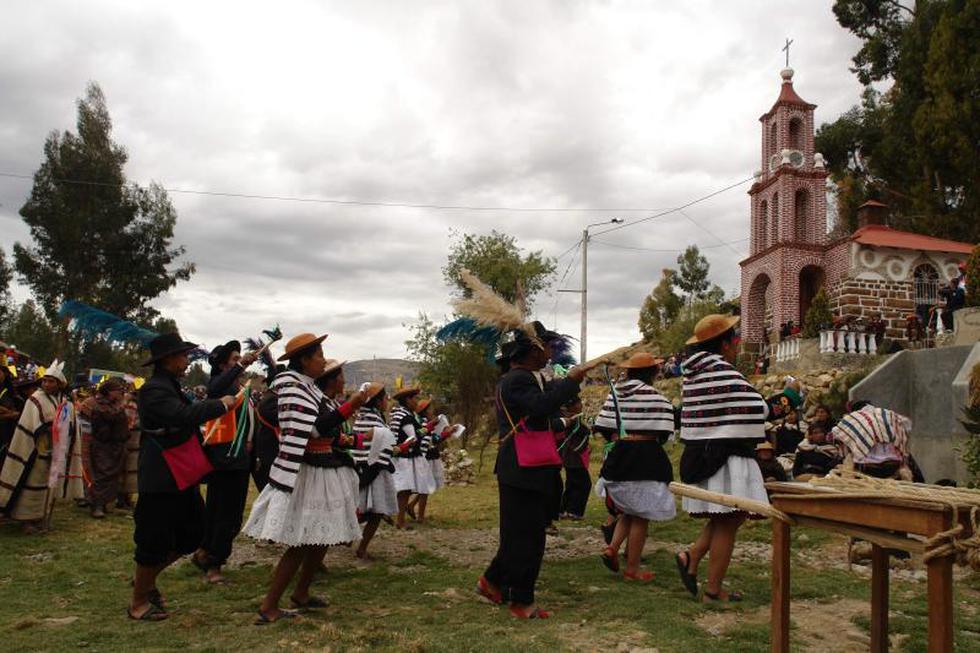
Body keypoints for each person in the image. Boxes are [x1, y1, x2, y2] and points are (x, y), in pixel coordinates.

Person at [242, 334, 369, 624]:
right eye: (319, 354)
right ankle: (269, 605)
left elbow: (328, 431)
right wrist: (351, 405)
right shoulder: (292, 388)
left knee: (321, 536)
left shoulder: (310, 389)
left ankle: (301, 592)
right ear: (304, 359)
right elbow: (314, 430)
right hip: (307, 470)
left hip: (323, 467)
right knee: (301, 541)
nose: (324, 360)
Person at [477, 327, 587, 619]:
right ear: (533, 350)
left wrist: (570, 383)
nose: (551, 352)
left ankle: (492, 581)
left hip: (523, 467)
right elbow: (540, 406)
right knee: (527, 538)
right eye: (548, 346)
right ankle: (520, 600)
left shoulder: (523, 379)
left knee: (521, 534)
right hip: (522, 468)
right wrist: (571, 382)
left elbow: (546, 400)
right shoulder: (518, 380)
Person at [129, 333, 234, 621]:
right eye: (182, 356)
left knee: (192, 533)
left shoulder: (170, 386)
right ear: (167, 360)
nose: (187, 362)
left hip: (180, 475)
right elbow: (181, 416)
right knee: (152, 539)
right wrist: (221, 405)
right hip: (160, 477)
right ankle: (139, 601)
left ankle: (145, 581)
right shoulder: (153, 390)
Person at [675, 314, 769, 603]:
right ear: (725, 344)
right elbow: (757, 408)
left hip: (703, 453)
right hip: (727, 456)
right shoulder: (724, 372)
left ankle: (691, 555)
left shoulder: (694, 374)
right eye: (734, 339)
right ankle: (714, 590)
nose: (736, 345)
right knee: (730, 519)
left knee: (725, 516)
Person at [594, 352, 676, 582]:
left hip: (620, 453)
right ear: (651, 372)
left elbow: (602, 425)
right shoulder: (656, 397)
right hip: (646, 457)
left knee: (629, 509)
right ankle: (632, 568)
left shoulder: (615, 395)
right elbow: (664, 432)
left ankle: (612, 548)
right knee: (642, 514)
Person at [192, 340, 258, 585]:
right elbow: (214, 390)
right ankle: (213, 563)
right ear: (222, 365)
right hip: (225, 458)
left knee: (229, 512)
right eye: (233, 359)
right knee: (223, 514)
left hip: (240, 459)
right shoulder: (220, 388)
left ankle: (204, 552)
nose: (239, 361)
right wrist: (240, 365)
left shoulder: (240, 387)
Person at [0, 360, 84, 533]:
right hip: (35, 450)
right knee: (31, 483)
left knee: (48, 485)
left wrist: (63, 433)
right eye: (44, 380)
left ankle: (41, 517)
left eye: (51, 381)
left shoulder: (66, 402)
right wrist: (48, 429)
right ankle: (26, 520)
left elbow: (72, 425)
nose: (46, 384)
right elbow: (31, 423)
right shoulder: (35, 399)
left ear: (60, 384)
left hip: (56, 451)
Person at [351, 382, 396, 559]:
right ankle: (360, 547)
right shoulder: (374, 420)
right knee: (375, 512)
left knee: (366, 511)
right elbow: (382, 445)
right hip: (374, 471)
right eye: (385, 398)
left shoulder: (364, 417)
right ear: (378, 401)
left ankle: (346, 538)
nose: (387, 401)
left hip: (365, 469)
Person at [84, 378, 131, 519]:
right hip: (103, 446)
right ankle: (96, 505)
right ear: (110, 392)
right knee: (102, 475)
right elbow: (111, 417)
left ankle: (104, 503)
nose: (121, 393)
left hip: (115, 445)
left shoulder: (112, 405)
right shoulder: (101, 406)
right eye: (118, 391)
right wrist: (123, 405)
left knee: (111, 477)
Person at [389, 386, 432, 529]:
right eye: (415, 398)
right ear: (407, 400)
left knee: (404, 489)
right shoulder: (406, 417)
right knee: (404, 489)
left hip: (401, 455)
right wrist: (428, 429)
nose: (417, 402)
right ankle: (399, 520)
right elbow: (413, 438)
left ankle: (400, 520)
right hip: (405, 457)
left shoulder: (398, 414)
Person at [558, 394, 591, 521]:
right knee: (583, 484)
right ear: (572, 406)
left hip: (569, 457)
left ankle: (563, 509)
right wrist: (587, 432)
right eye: (578, 403)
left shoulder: (571, 419)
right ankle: (575, 511)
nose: (581, 405)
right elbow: (577, 435)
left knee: (572, 484)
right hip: (574, 458)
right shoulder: (572, 420)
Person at [0, 365, 20, 455]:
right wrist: (9, 413)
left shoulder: (10, 392)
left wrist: (10, 413)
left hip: (6, 431)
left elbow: (18, 413)